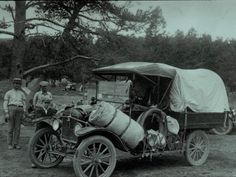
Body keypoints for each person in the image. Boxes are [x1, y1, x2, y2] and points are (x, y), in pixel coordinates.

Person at [3, 78, 26, 150]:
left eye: (18, 84)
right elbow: (5, 103)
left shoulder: (22, 93)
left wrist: (24, 112)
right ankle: (9, 144)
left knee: (18, 128)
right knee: (10, 128)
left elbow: (24, 103)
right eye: (15, 83)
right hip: (11, 108)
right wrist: (6, 112)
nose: (17, 85)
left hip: (20, 109)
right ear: (13, 84)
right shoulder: (8, 92)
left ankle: (16, 144)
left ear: (20, 85)